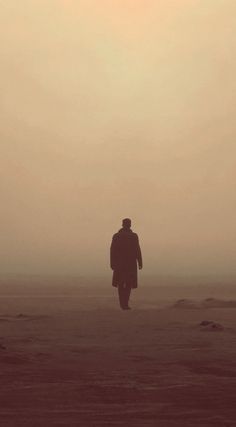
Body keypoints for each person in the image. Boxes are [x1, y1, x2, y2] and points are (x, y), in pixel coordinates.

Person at [110, 218, 143, 310]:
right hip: (129, 264)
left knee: (122, 284)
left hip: (121, 264)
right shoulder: (132, 236)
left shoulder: (117, 236)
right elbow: (137, 250)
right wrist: (140, 262)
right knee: (127, 284)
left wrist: (112, 263)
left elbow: (112, 250)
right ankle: (124, 304)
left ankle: (123, 304)